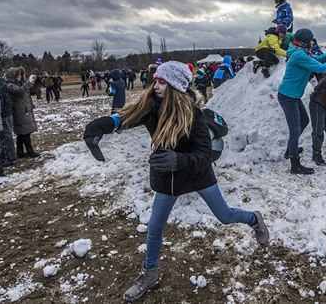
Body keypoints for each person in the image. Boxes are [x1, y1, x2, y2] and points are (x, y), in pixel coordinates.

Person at [82, 61, 269, 301]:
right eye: (156, 81)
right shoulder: (150, 107)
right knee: (155, 229)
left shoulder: (194, 115)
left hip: (197, 174)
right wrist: (97, 127)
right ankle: (150, 275)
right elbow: (124, 119)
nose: (155, 86)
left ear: (176, 86)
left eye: (162, 82)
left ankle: (254, 219)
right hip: (168, 180)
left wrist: (178, 160)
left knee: (225, 216)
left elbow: (204, 154)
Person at [277, 28, 326, 174]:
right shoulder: (299, 55)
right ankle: (295, 164)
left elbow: (317, 60)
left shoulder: (302, 52)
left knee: (304, 121)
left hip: (292, 95)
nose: (313, 42)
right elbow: (321, 68)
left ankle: (290, 149)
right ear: (305, 42)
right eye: (311, 40)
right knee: (295, 129)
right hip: (288, 96)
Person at [5, 67, 40, 158]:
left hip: (23, 110)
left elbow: (31, 92)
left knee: (22, 132)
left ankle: (20, 152)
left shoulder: (19, 84)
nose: (21, 77)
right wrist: (29, 82)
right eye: (19, 75)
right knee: (24, 132)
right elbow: (19, 91)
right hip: (19, 111)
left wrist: (35, 83)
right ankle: (29, 151)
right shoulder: (10, 85)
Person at [0, 74, 17, 166]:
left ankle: (11, 158)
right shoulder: (3, 86)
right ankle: (5, 156)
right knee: (6, 136)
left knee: (5, 136)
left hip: (4, 115)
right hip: (7, 113)